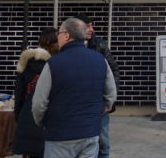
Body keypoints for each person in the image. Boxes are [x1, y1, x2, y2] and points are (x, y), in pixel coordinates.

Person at [32, 18, 116, 158]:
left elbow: (39, 103)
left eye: (59, 33)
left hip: (59, 134)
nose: (57, 36)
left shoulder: (53, 64)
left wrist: (42, 121)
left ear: (66, 36)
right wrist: (96, 114)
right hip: (90, 133)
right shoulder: (100, 60)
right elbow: (111, 94)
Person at [73, 14, 120, 158]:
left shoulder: (99, 45)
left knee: (103, 142)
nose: (92, 29)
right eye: (88, 26)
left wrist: (111, 100)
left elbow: (113, 72)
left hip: (99, 102)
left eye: (92, 25)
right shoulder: (67, 46)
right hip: (76, 103)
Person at [13, 27, 59, 158]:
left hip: (28, 119)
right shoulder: (59, 64)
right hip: (53, 123)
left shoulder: (26, 63)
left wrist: (19, 117)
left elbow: (19, 95)